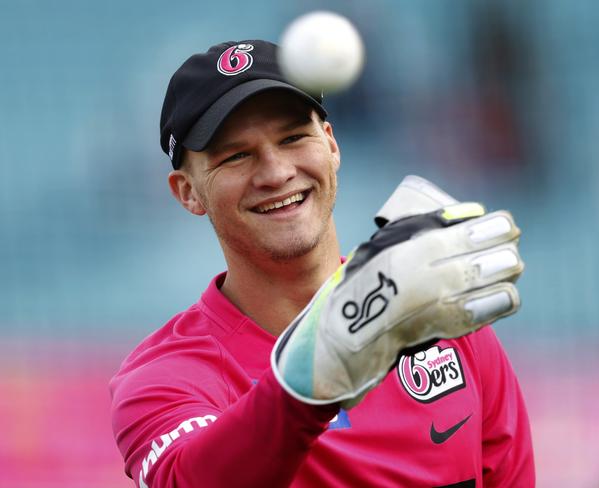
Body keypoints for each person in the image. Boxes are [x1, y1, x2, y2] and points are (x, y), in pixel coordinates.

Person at [110, 39, 535, 487]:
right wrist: (311, 373)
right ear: (187, 192)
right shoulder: (164, 378)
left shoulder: (439, 314)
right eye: (236, 155)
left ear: (331, 145)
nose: (275, 172)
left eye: (293, 138)